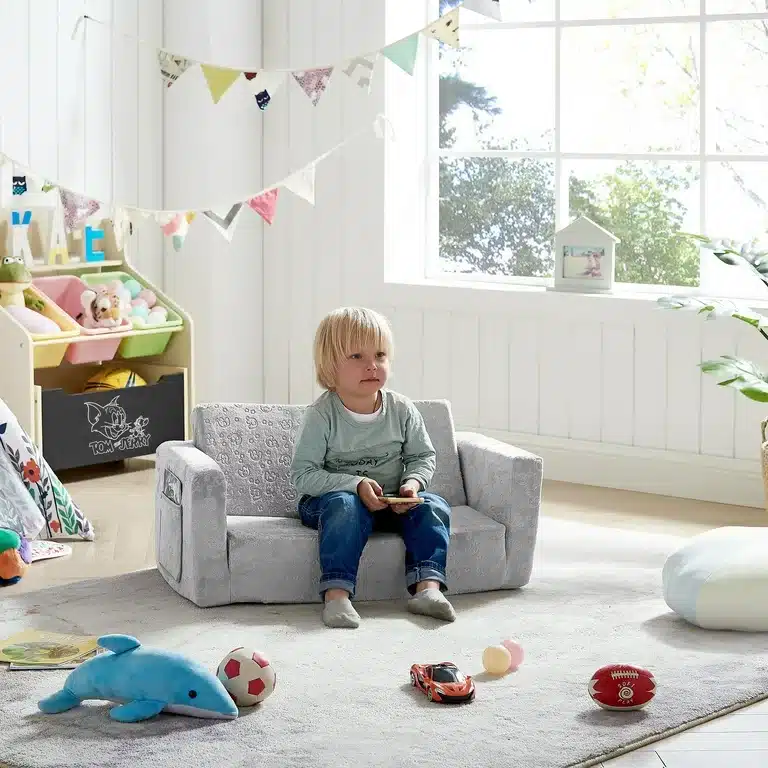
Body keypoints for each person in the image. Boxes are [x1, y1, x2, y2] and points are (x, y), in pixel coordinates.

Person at [290, 307, 455, 629]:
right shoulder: (322, 415)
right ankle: (337, 595)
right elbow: (303, 475)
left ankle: (427, 589)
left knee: (433, 506)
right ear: (330, 366)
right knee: (345, 505)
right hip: (332, 504)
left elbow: (423, 456)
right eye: (356, 356)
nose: (372, 365)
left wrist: (412, 484)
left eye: (380, 355)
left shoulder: (402, 409)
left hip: (392, 502)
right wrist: (355, 484)